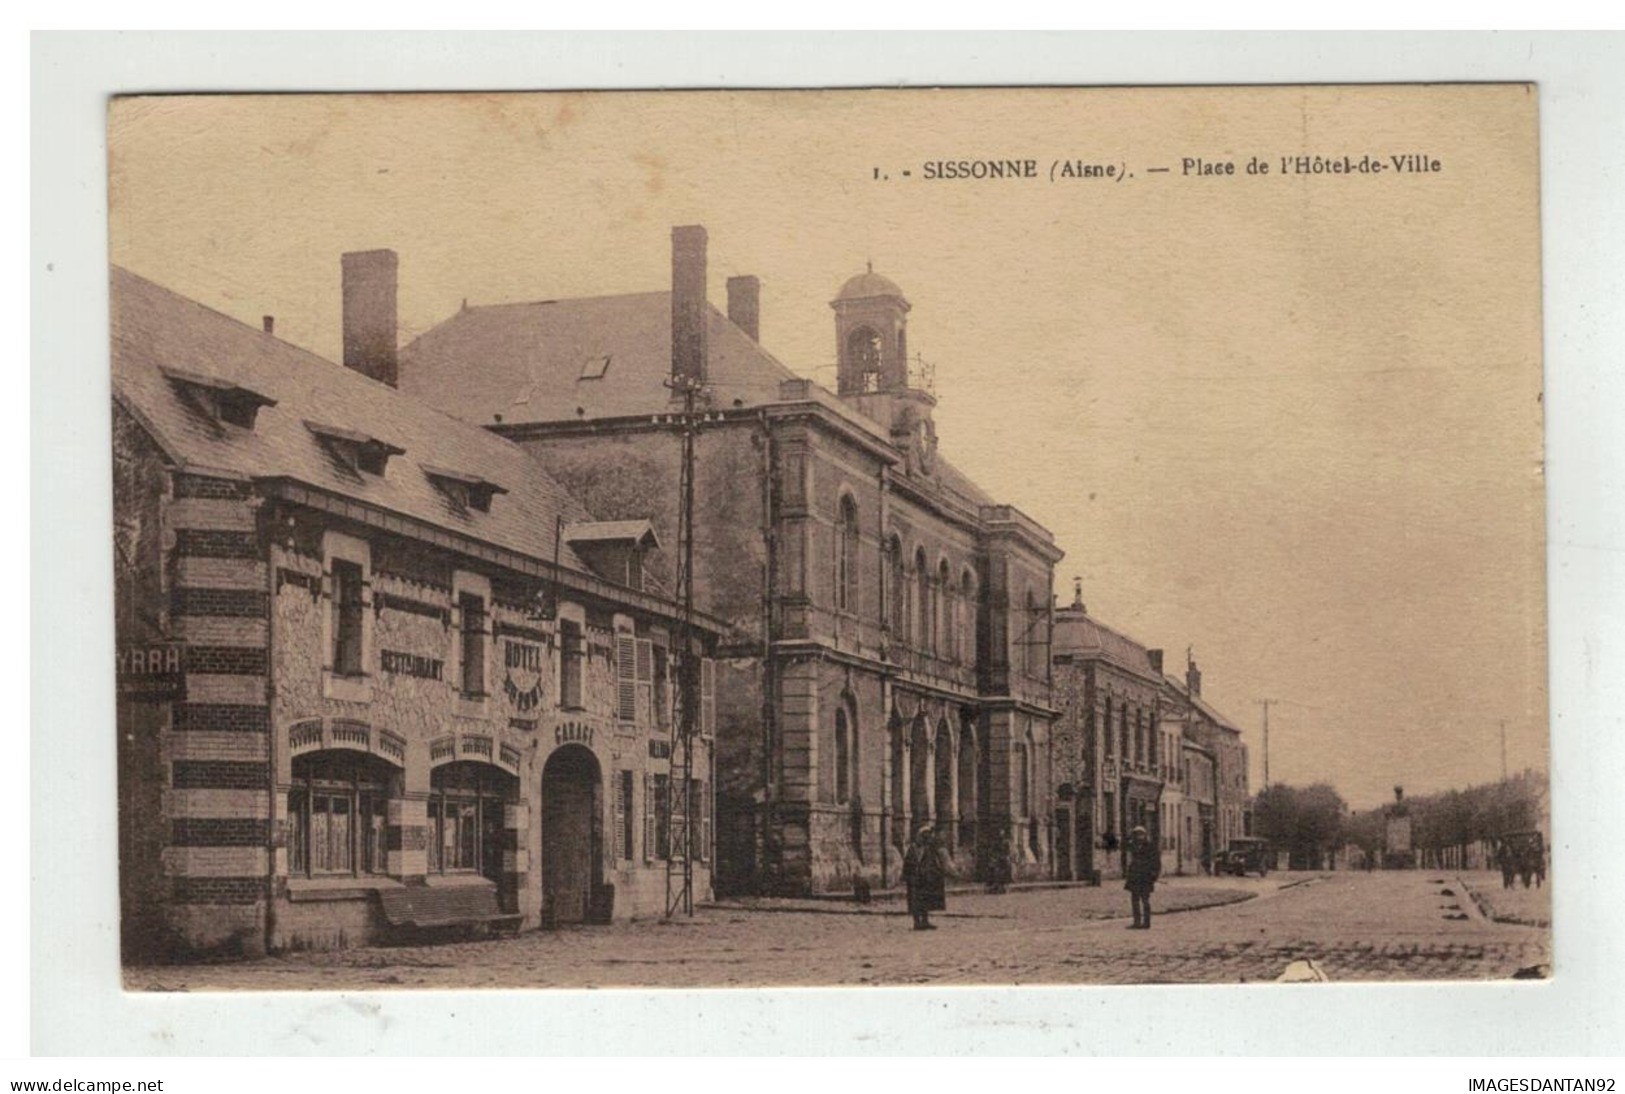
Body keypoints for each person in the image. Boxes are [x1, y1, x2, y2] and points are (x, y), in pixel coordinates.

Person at [903, 823, 950, 930]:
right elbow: (907, 863)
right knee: (915, 901)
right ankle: (916, 922)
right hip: (915, 879)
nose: (926, 838)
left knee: (925, 900)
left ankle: (925, 921)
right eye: (925, 836)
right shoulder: (913, 848)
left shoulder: (928, 849)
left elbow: (934, 863)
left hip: (925, 879)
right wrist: (907, 876)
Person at [1124, 824, 1161, 929]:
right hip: (1135, 876)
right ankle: (1136, 922)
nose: (1138, 837)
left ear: (1145, 835)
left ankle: (1146, 922)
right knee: (1134, 899)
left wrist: (1154, 874)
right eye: (1136, 835)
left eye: (1141, 834)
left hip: (1146, 877)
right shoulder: (1133, 846)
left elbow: (1156, 862)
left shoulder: (1150, 847)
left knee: (1145, 900)